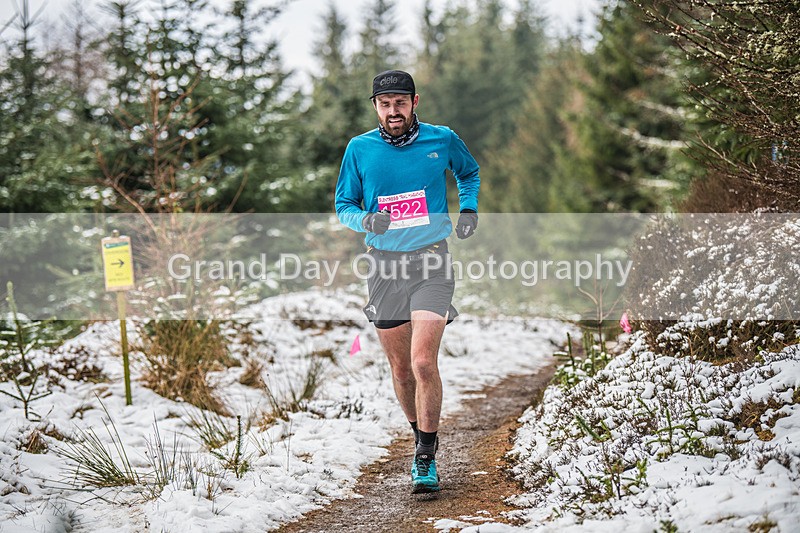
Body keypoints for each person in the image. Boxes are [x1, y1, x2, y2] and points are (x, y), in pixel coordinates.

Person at [335, 69, 480, 494]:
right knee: (400, 369)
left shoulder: (442, 139)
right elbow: (344, 203)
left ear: (415, 102)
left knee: (421, 362)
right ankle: (420, 436)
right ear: (375, 107)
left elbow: (468, 173)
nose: (393, 110)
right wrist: (365, 219)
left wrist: (467, 210)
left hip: (432, 260)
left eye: (400, 102)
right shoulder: (359, 149)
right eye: (385, 103)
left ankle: (425, 456)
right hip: (384, 267)